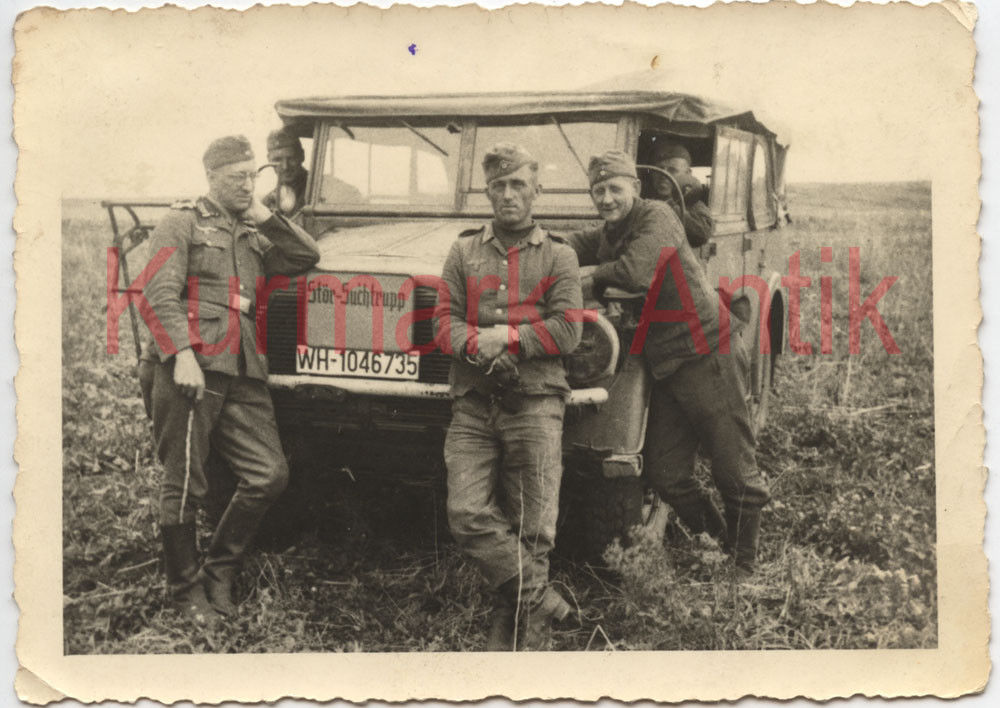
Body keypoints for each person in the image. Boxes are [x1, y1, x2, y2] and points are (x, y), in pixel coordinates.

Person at [142, 135, 320, 623]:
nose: (247, 186)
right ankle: (186, 591)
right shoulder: (181, 222)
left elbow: (306, 256)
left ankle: (220, 569)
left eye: (252, 176)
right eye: (236, 178)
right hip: (193, 364)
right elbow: (156, 295)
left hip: (243, 367)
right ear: (210, 178)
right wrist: (180, 355)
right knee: (184, 480)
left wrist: (264, 215)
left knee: (269, 473)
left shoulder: (251, 231)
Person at [566, 150, 770, 574]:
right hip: (669, 364)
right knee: (665, 471)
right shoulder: (611, 230)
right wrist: (533, 247)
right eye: (598, 190)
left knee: (734, 469)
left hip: (708, 352)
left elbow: (636, 272)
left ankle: (745, 568)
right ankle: (718, 539)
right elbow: (571, 244)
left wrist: (586, 277)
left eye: (615, 188)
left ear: (635, 189)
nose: (607, 198)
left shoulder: (657, 216)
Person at [435, 143, 583, 650]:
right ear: (487, 192)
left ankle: (518, 620)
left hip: (537, 399)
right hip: (475, 402)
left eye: (518, 184)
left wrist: (514, 339)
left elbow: (568, 330)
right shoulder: (463, 251)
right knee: (467, 513)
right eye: (498, 186)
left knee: (533, 525)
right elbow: (442, 321)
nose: (508, 195)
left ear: (536, 190)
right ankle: (539, 598)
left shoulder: (559, 254)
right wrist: (475, 343)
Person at [646, 142, 714, 248]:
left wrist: (673, 208)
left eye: (672, 170)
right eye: (659, 169)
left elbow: (703, 233)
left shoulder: (694, 205)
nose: (664, 175)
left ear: (688, 174)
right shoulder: (643, 200)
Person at [262, 128, 309, 216]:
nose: (285, 166)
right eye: (277, 160)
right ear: (269, 160)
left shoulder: (321, 188)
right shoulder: (268, 203)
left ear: (302, 155)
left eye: (291, 158)